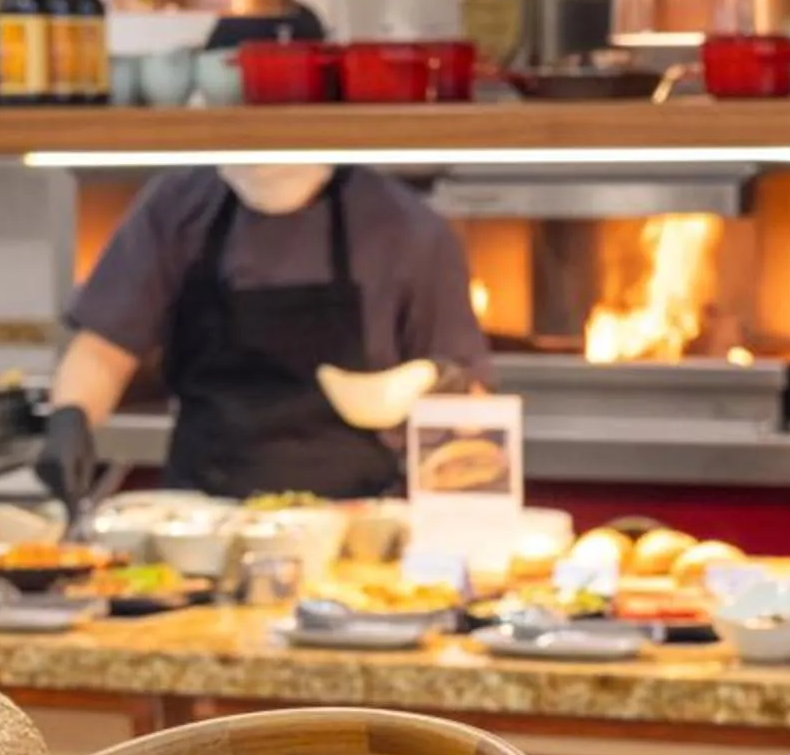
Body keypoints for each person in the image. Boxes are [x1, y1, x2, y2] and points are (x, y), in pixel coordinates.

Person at [40, 162, 490, 503]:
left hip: (356, 520)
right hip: (200, 515)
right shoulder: (178, 204)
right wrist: (70, 418)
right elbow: (105, 347)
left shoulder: (405, 226)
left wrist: (449, 389)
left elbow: (467, 398)